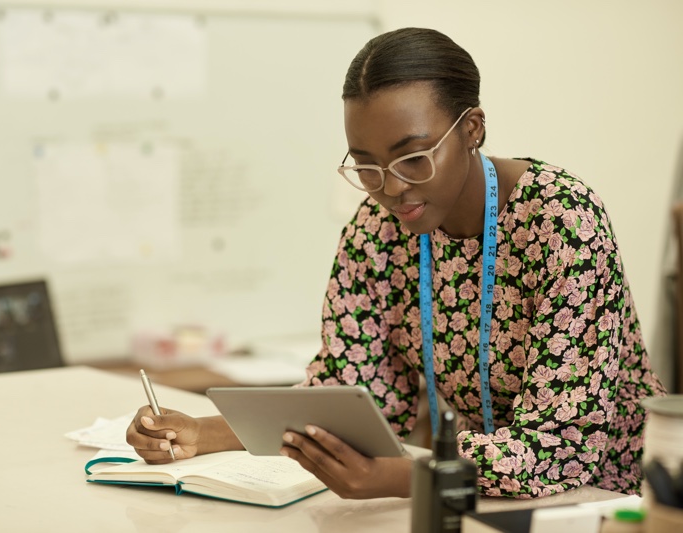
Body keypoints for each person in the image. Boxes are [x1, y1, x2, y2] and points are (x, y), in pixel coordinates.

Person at [126, 27, 667, 500]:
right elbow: (347, 395)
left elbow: (560, 449)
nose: (392, 187)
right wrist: (199, 432)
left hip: (613, 498)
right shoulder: (378, 230)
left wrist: (401, 478)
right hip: (471, 493)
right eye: (366, 167)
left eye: (413, 157)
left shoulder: (563, 221)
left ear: (473, 128)